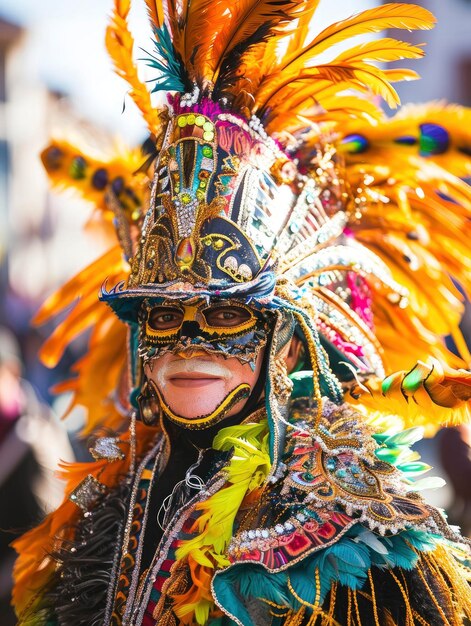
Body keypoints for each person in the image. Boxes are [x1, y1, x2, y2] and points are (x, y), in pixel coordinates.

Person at [11, 1, 471, 624]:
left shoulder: (362, 535)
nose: (186, 344)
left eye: (226, 316)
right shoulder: (110, 498)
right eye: (163, 319)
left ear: (283, 338)